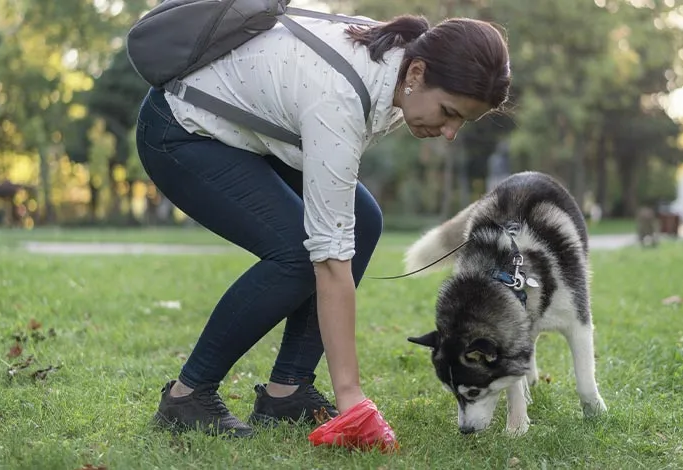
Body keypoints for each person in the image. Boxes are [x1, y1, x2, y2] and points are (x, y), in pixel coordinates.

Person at [135, 12, 511, 438]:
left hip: (247, 133)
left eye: (461, 121)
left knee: (363, 221)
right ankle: (187, 398)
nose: (450, 133)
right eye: (448, 112)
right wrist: (350, 395)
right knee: (297, 253)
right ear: (418, 72)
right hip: (180, 131)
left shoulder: (397, 67)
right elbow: (330, 261)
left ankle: (286, 392)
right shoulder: (341, 98)